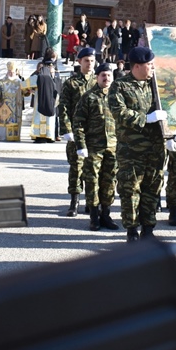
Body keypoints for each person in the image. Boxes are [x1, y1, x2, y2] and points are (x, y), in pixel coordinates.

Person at [108, 46, 167, 241]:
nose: (152, 68)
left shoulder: (157, 85)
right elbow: (119, 112)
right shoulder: (120, 86)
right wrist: (146, 118)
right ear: (137, 66)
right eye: (149, 65)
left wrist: (174, 134)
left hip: (156, 149)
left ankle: (148, 230)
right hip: (131, 152)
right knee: (130, 190)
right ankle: (132, 231)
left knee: (152, 189)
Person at [74, 62, 119, 231]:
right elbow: (78, 122)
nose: (106, 78)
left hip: (113, 147)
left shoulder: (116, 97)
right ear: (97, 77)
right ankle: (94, 216)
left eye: (109, 75)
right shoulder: (88, 97)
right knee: (92, 181)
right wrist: (81, 144)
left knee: (109, 181)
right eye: (103, 75)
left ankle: (106, 214)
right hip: (93, 147)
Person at [58, 47, 97, 216]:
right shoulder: (71, 83)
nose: (90, 64)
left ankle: (91, 201)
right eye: (86, 60)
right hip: (76, 132)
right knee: (76, 167)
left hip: (95, 133)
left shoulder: (99, 81)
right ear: (80, 61)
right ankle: (74, 201)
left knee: (93, 168)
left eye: (92, 61)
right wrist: (66, 129)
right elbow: (64, 107)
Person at [0, 61, 29, 141]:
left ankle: (14, 136)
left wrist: (29, 90)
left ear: (16, 72)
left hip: (16, 106)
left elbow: (25, 91)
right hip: (5, 105)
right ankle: (2, 136)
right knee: (4, 119)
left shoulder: (20, 82)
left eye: (12, 72)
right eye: (9, 72)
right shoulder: (2, 81)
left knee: (15, 121)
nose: (11, 73)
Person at [29, 52, 60, 142]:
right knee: (40, 118)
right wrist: (30, 90)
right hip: (41, 100)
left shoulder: (55, 76)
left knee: (49, 119)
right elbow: (30, 83)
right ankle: (39, 136)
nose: (50, 68)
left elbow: (58, 87)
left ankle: (49, 136)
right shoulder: (40, 75)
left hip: (51, 101)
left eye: (52, 66)